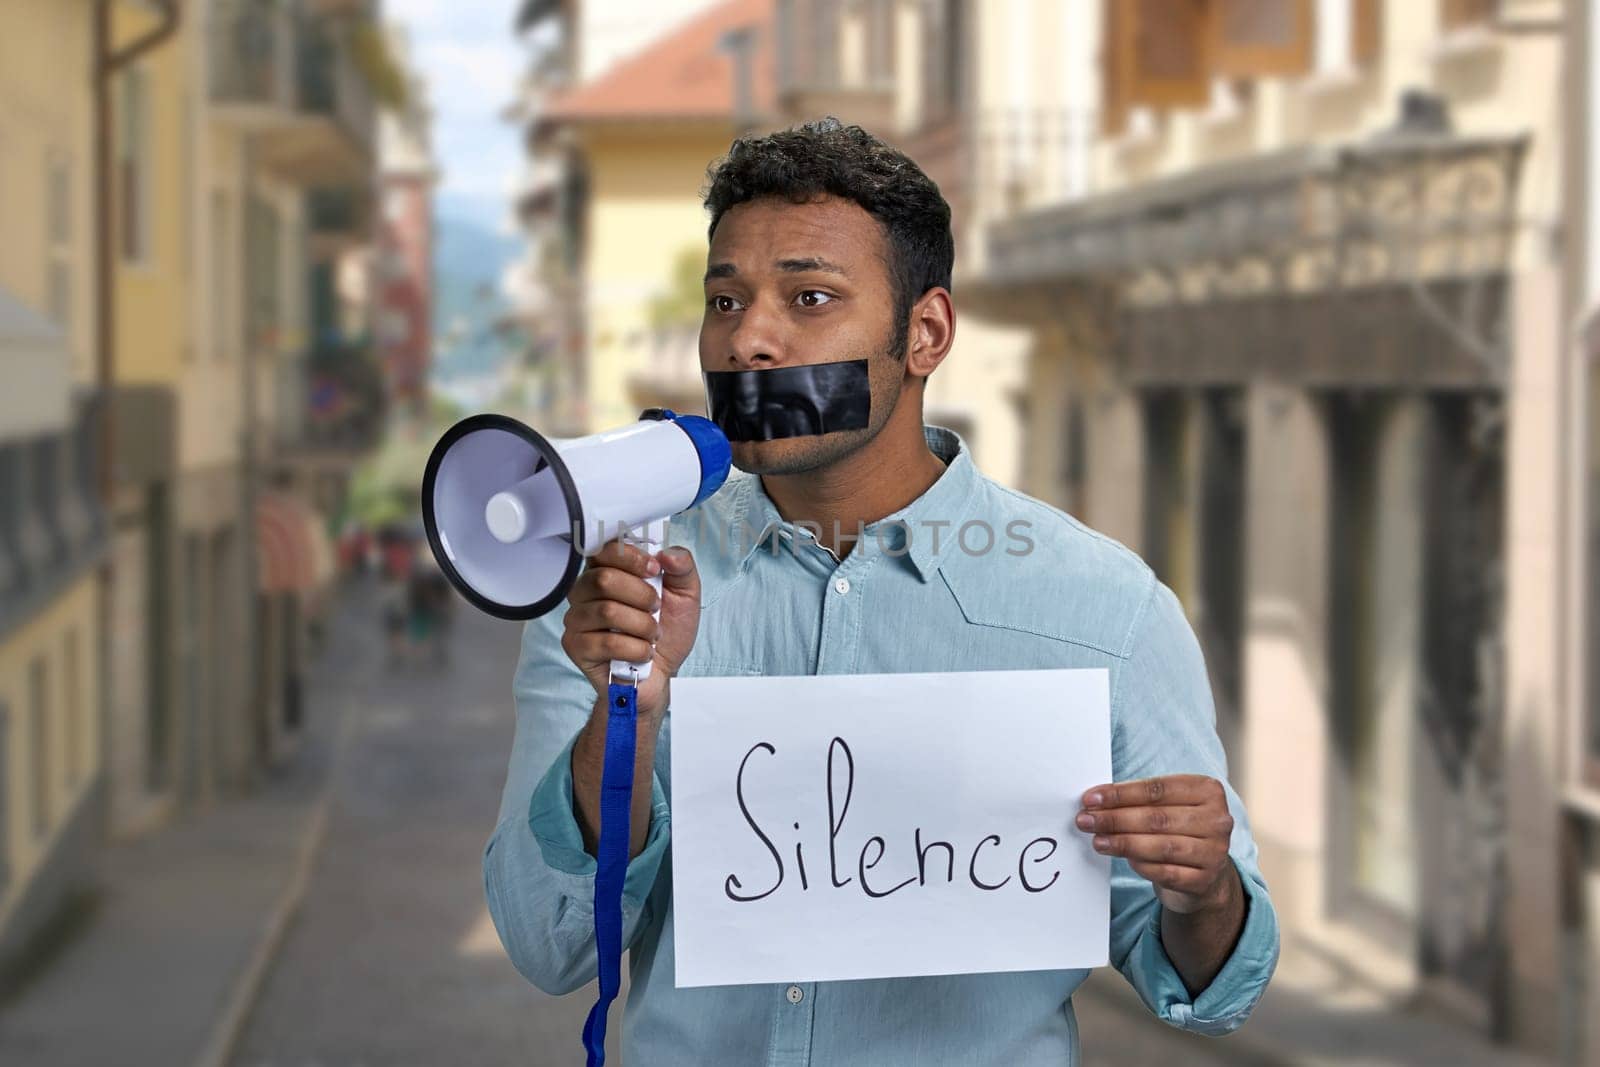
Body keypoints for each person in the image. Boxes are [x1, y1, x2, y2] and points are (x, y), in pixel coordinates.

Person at [485, 119, 1279, 1065]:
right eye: (725, 299)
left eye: (809, 297)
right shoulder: (611, 600)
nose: (751, 341)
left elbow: (1214, 986)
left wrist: (1205, 889)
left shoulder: (1108, 612)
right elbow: (550, 945)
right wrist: (629, 718)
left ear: (926, 333)